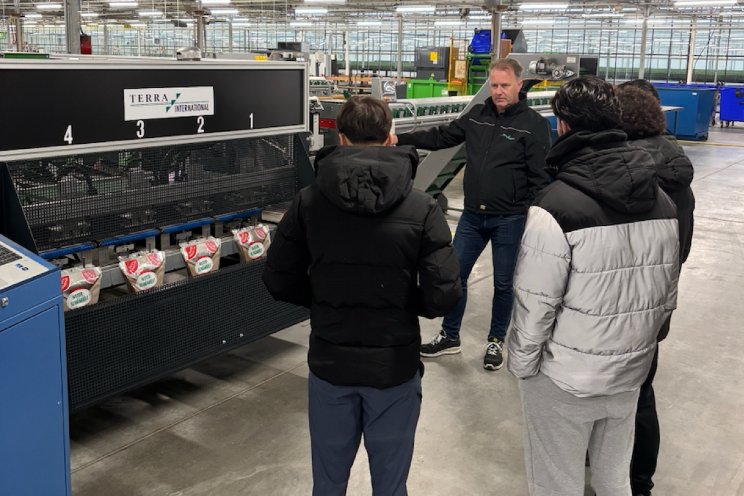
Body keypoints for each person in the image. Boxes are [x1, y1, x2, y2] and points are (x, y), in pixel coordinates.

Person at [262, 95, 461, 496]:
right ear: (391, 138)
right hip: (393, 366)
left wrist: (322, 298)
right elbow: (444, 294)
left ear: (342, 137)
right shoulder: (422, 207)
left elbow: (278, 279)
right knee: (391, 485)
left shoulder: (308, 202)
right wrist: (407, 302)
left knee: (329, 483)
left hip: (330, 363)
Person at [506, 76, 680, 496]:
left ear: (562, 125)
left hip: (565, 377)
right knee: (613, 480)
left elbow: (535, 306)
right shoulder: (663, 201)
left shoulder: (555, 207)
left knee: (555, 483)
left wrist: (523, 368)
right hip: (629, 372)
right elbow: (665, 299)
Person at [392, 58, 552, 370]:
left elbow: (540, 180)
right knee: (455, 277)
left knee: (504, 285)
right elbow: (441, 137)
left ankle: (496, 341)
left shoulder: (533, 125)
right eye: (494, 85)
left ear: (519, 85)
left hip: (510, 218)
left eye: (505, 85)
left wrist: (534, 222)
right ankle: (450, 337)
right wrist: (400, 138)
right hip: (472, 217)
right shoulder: (477, 116)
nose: (498, 91)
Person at [616, 81, 696, 496]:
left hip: (616, 301)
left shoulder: (623, 170)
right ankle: (639, 481)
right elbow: (682, 245)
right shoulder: (678, 168)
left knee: (613, 391)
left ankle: (612, 468)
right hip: (658, 299)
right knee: (642, 389)